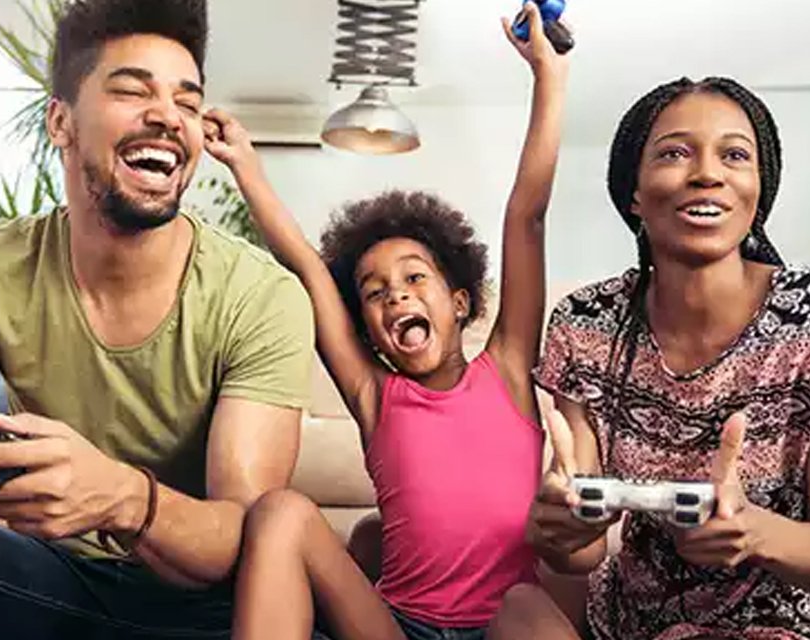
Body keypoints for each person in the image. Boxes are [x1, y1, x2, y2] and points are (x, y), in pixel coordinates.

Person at [0, 0, 314, 637]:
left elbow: (243, 539)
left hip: (210, 611)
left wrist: (125, 497)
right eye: (132, 91)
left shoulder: (260, 295)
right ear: (60, 122)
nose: (167, 116)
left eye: (187, 102)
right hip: (56, 583)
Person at [199, 4, 570, 639]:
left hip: (498, 630)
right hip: (397, 629)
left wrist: (549, 77)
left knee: (528, 606)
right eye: (374, 293)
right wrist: (245, 166)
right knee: (282, 512)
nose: (395, 296)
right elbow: (310, 271)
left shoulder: (507, 369)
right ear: (369, 330)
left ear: (459, 303)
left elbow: (526, 217)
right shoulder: (376, 395)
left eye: (414, 279)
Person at [487, 76, 810, 640]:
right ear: (634, 192)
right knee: (519, 610)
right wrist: (561, 533)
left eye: (735, 155)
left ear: (757, 190)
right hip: (629, 625)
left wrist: (754, 532)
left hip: (776, 627)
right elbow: (585, 552)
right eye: (674, 152)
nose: (707, 173)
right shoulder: (586, 322)